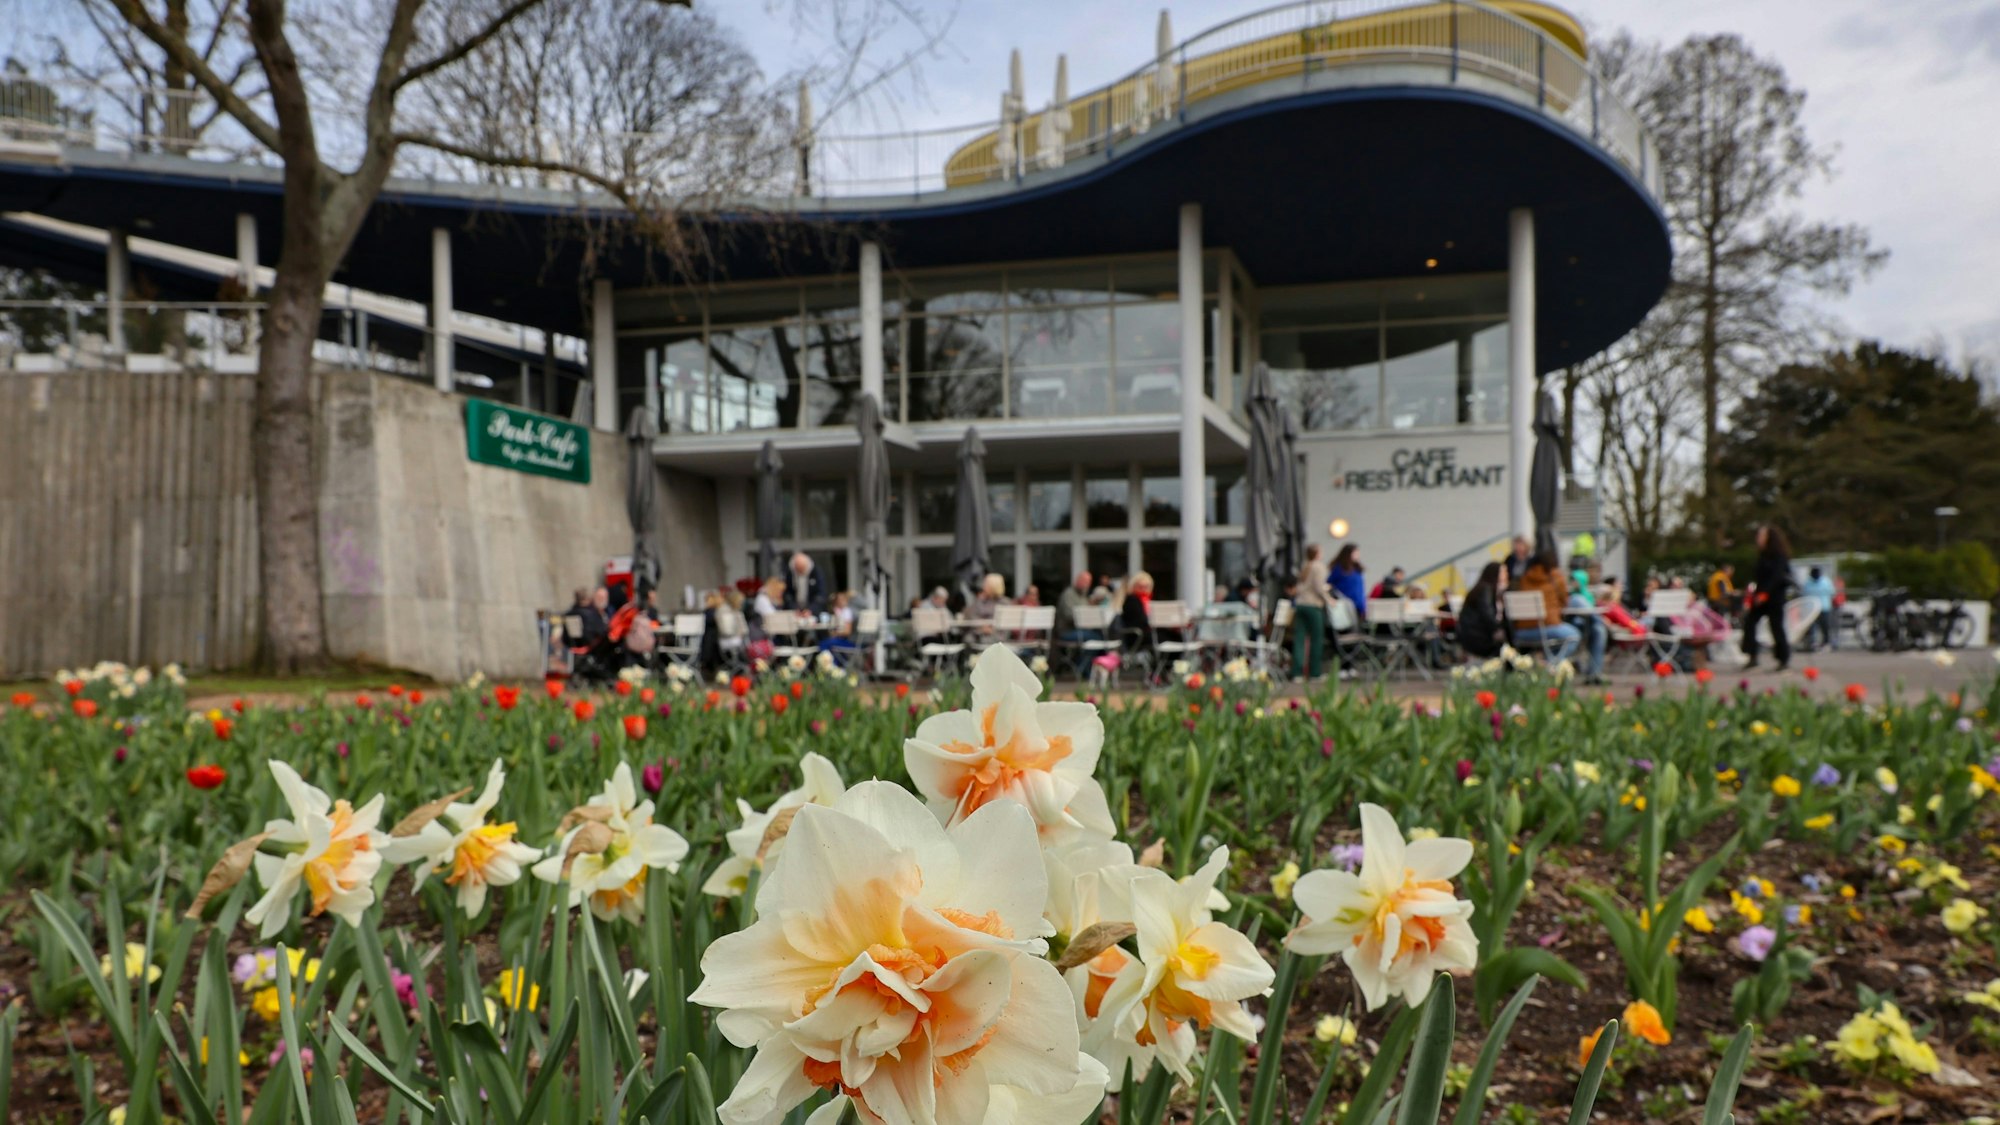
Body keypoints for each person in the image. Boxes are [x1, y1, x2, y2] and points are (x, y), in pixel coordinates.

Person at [1514, 551, 1606, 682]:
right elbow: (1564, 601)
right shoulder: (1554, 576)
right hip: (1545, 628)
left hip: (1521, 632)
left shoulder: (1523, 579)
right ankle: (1550, 665)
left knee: (1591, 625)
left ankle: (1550, 665)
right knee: (1575, 635)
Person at [1742, 525, 1794, 671]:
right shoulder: (1763, 555)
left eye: (1761, 536)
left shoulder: (1779, 555)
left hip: (1775, 596)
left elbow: (1776, 577)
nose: (1758, 539)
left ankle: (1783, 659)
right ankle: (1752, 655)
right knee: (1750, 622)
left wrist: (1765, 593)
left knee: (1776, 627)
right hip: (1760, 596)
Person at [1291, 544, 1330, 680]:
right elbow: (1319, 587)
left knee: (1299, 640)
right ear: (1317, 553)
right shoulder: (1318, 566)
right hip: (1313, 606)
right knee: (1316, 639)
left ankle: (1297, 673)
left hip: (1300, 604)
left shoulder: (1304, 566)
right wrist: (1329, 599)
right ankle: (1315, 672)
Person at [1456, 562, 1508, 659]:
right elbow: (1487, 614)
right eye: (1503, 572)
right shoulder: (1486, 589)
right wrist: (1497, 629)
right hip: (1478, 635)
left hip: (1471, 632)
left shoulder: (1482, 588)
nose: (1506, 574)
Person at [1119, 571, 1157, 655]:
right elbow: (1141, 621)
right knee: (1167, 638)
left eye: (1146, 587)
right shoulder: (1132, 600)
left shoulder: (1147, 601)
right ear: (1133, 586)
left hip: (1146, 633)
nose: (1143, 589)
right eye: (1140, 587)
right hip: (1137, 636)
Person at [1801, 566, 1837, 651]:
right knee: (1811, 627)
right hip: (1811, 609)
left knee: (1825, 626)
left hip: (1824, 607)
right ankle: (1812, 643)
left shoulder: (1826, 581)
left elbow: (1832, 593)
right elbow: (1804, 594)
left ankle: (1826, 642)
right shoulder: (1807, 582)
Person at [785, 551, 830, 615]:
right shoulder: (790, 574)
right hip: (795, 610)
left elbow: (821, 594)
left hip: (813, 610)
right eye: (798, 570)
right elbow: (788, 593)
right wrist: (794, 608)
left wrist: (811, 609)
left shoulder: (816, 573)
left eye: (802, 570)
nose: (800, 573)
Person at [1330, 545, 1367, 621]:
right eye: (1355, 553)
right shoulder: (1339, 569)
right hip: (1346, 604)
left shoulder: (1357, 569)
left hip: (1358, 603)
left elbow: (1360, 589)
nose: (1357, 556)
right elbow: (1330, 584)